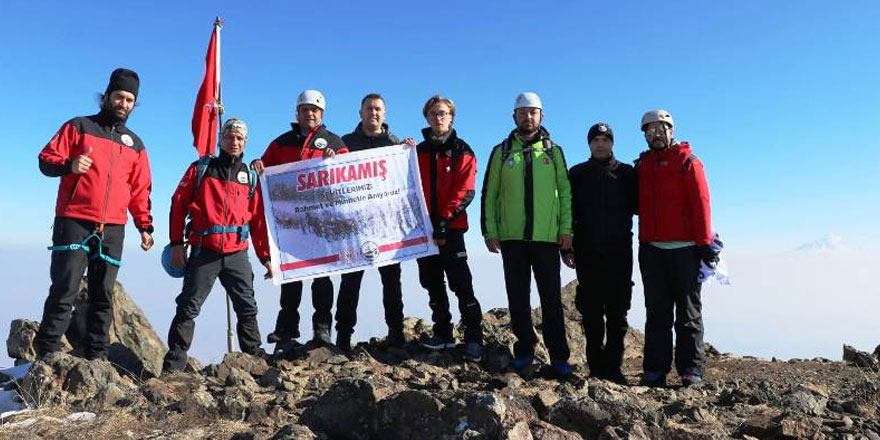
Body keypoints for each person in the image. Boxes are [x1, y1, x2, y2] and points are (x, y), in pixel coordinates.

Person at [35, 68, 154, 361]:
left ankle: (97, 356)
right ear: (107, 96)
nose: (123, 103)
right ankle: (48, 352)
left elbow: (140, 190)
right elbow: (45, 160)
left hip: (113, 227)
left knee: (103, 295)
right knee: (65, 288)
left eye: (129, 99)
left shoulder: (136, 145)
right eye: (119, 96)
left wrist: (145, 225)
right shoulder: (79, 126)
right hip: (74, 219)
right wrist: (70, 165)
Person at [162, 118, 272, 373]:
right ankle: (174, 366)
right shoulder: (201, 168)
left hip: (237, 252)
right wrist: (176, 243)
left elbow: (256, 222)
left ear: (245, 142)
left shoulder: (250, 177)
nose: (234, 142)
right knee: (188, 306)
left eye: (239, 138)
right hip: (204, 250)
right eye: (229, 137)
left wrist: (265, 257)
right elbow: (178, 204)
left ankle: (253, 358)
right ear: (221, 139)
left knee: (247, 306)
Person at [481, 92, 573, 378]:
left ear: (541, 116)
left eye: (533, 112)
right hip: (512, 238)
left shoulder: (553, 151)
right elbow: (490, 193)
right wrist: (490, 231)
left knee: (551, 300)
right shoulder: (502, 151)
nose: (527, 117)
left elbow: (566, 193)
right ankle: (525, 351)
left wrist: (566, 230)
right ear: (514, 117)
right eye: (522, 113)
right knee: (518, 298)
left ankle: (559, 356)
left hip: (546, 239)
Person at [251, 90, 348, 355]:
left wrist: (336, 159)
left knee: (322, 278)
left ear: (322, 114)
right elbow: (264, 167)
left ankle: (322, 330)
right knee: (291, 277)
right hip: (291, 225)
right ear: (297, 113)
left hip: (322, 224)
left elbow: (349, 175)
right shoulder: (281, 142)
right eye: (305, 109)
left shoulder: (333, 141)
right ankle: (286, 331)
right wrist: (258, 163)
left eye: (314, 110)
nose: (309, 114)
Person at [634, 109, 717, 387]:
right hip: (652, 250)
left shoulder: (688, 162)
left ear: (671, 130)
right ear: (644, 135)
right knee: (656, 312)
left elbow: (701, 203)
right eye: (650, 130)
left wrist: (705, 243)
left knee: (688, 313)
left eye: (661, 129)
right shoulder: (643, 165)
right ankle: (655, 369)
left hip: (685, 250)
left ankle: (691, 369)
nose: (656, 134)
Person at [334, 93, 416, 351]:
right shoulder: (345, 142)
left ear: (385, 113)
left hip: (385, 226)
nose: (374, 112)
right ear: (360, 113)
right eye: (369, 108)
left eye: (378, 109)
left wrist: (409, 152)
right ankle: (343, 335)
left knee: (392, 281)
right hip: (353, 227)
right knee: (350, 282)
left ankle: (396, 331)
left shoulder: (394, 144)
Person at [564, 122, 637, 385]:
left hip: (620, 253)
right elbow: (567, 213)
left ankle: (614, 367)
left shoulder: (628, 174)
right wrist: (567, 247)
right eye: (595, 139)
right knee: (592, 312)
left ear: (612, 143)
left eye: (605, 139)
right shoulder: (578, 174)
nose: (600, 144)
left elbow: (644, 205)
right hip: (587, 252)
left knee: (618, 312)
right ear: (589, 144)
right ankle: (595, 367)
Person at [415, 95, 484, 362]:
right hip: (423, 231)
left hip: (451, 230)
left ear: (451, 116)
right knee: (432, 283)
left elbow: (465, 190)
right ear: (427, 117)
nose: (438, 117)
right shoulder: (417, 152)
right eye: (433, 113)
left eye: (442, 113)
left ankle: (474, 338)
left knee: (461, 283)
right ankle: (443, 333)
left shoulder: (462, 150)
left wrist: (443, 221)